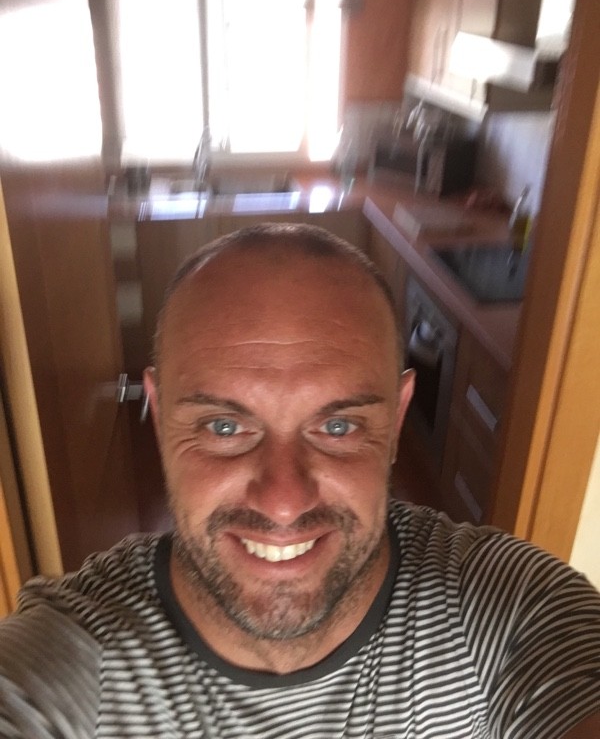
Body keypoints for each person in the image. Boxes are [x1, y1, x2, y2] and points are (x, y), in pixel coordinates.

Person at [0, 222, 599, 738]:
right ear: (158, 420)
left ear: (395, 423)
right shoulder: (74, 655)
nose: (284, 502)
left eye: (338, 426)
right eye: (224, 426)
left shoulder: (507, 612)